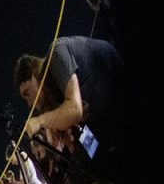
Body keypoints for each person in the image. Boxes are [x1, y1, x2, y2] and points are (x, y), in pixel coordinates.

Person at [14, 36, 125, 171]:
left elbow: (75, 110)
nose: (29, 104)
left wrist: (39, 121)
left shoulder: (56, 54)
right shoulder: (57, 95)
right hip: (111, 112)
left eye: (27, 93)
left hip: (120, 86)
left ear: (34, 74)